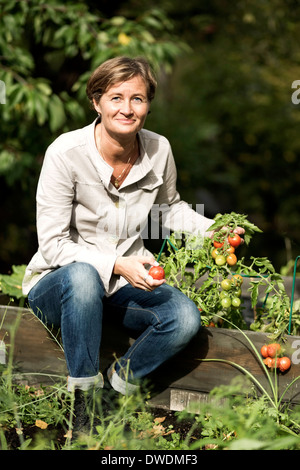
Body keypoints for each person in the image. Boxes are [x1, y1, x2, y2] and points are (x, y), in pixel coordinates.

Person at [22, 56, 244, 433]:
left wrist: (216, 229)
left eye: (138, 99)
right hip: (60, 286)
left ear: (148, 104)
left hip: (123, 286)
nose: (127, 109)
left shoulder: (159, 150)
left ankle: (115, 388)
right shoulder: (65, 153)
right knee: (82, 278)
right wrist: (117, 264)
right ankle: (84, 404)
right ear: (97, 102)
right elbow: (54, 243)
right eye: (116, 98)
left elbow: (169, 210)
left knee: (183, 318)